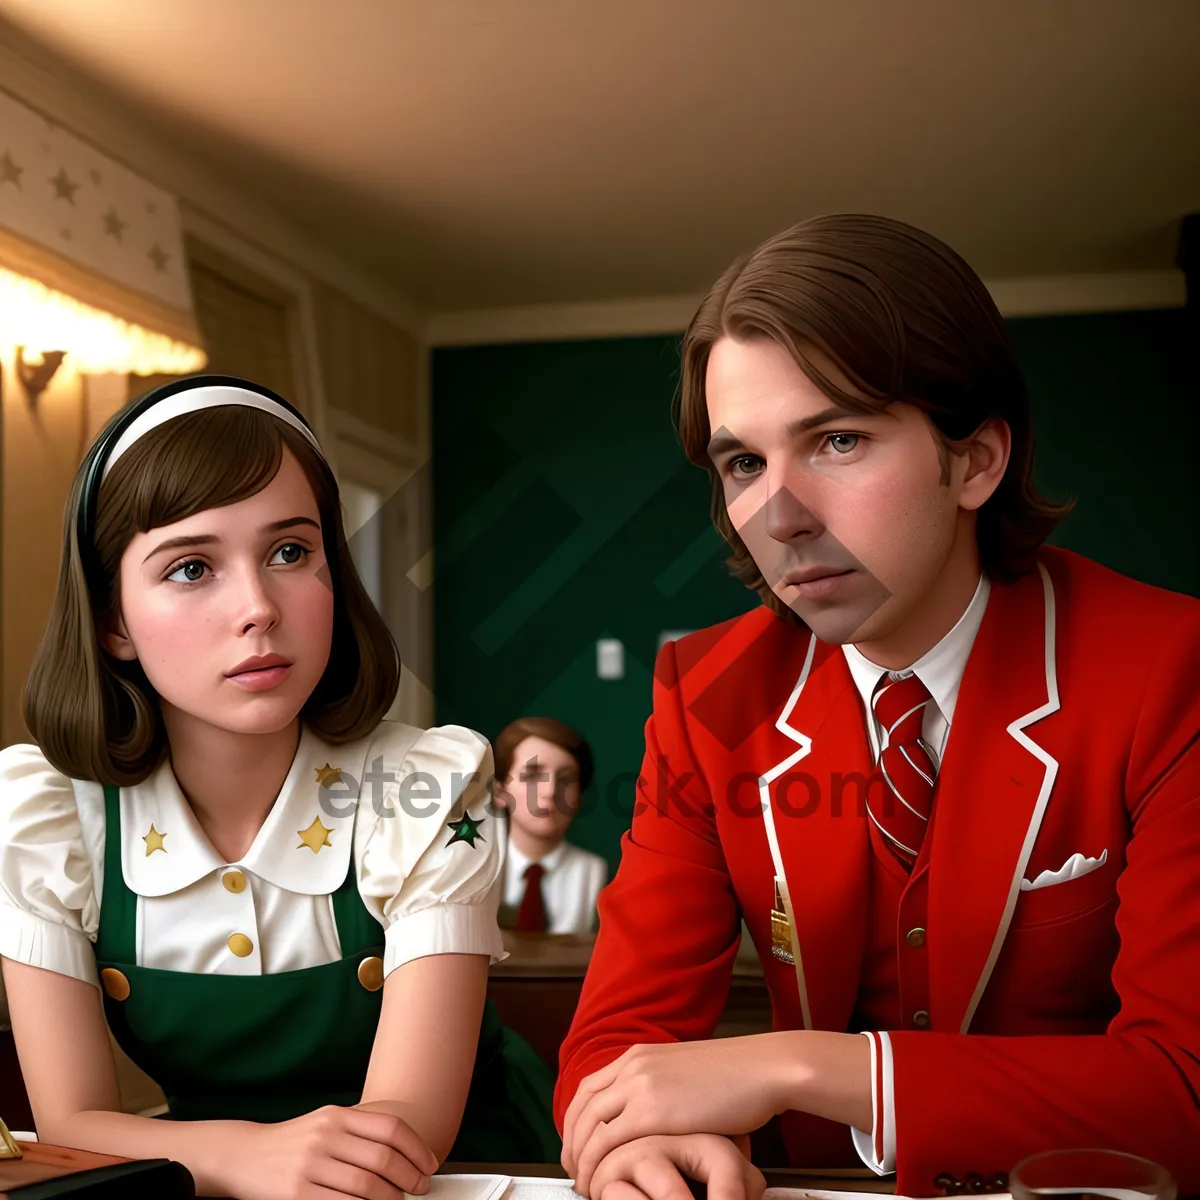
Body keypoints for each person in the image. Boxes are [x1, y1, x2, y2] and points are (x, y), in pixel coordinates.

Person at [553, 215, 1200, 1199]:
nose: (781, 515)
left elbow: (1186, 1093)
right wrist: (641, 1149)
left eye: (839, 439)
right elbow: (617, 1046)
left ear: (976, 462)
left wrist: (803, 1068)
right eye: (744, 463)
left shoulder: (1171, 667)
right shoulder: (704, 694)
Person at [0, 376, 559, 1200]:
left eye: (291, 552)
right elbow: (72, 1120)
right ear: (113, 618)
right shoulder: (48, 818)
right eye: (192, 567)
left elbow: (409, 1125)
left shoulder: (425, 790)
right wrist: (237, 1159)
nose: (258, 607)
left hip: (466, 1177)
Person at [492, 717, 608, 935]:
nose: (550, 791)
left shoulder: (595, 873)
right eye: (532, 775)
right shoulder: (478, 870)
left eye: (566, 779)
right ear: (500, 792)